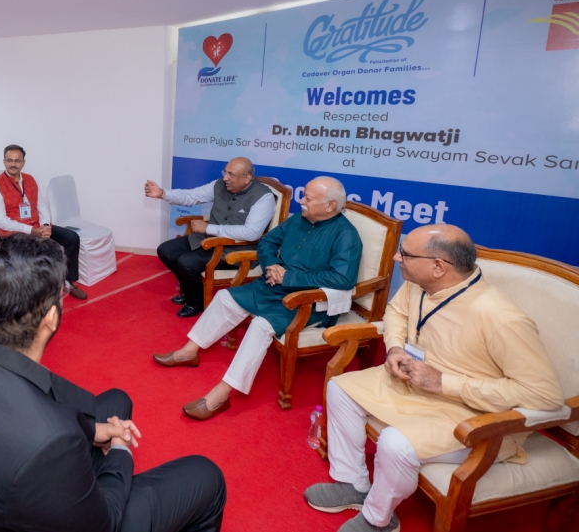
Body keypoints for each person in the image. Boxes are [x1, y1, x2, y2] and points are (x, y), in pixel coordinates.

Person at [0, 234, 228, 531]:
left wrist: (94, 431)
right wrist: (120, 453)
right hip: (57, 505)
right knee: (207, 476)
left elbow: (39, 398)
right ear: (51, 317)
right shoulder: (50, 442)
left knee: (117, 401)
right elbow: (106, 524)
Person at [303, 225, 565, 532]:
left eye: (405, 254)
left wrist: (443, 383)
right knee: (340, 388)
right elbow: (397, 313)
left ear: (439, 266)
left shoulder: (500, 317)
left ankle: (378, 520)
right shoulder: (420, 282)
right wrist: (395, 347)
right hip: (415, 386)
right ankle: (353, 484)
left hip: (473, 412)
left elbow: (545, 395)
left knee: (395, 443)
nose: (397, 258)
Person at [154, 177, 361, 420]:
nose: (301, 201)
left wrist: (288, 277)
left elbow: (342, 279)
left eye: (308, 198)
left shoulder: (346, 235)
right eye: (303, 195)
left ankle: (222, 393)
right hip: (272, 286)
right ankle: (190, 351)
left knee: (260, 326)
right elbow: (268, 241)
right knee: (225, 298)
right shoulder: (300, 219)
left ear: (330, 206)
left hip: (305, 300)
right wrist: (271, 264)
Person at [146, 157, 276, 317]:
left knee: (187, 262)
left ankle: (195, 303)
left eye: (231, 174)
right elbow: (192, 196)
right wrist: (162, 193)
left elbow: (251, 233)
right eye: (225, 172)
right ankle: (192, 292)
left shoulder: (264, 197)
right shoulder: (219, 185)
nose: (225, 178)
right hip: (209, 240)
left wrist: (208, 228)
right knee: (166, 250)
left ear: (247, 178)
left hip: (235, 250)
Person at [0, 144, 87, 300]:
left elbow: (42, 206)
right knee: (41, 248)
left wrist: (45, 226)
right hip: (13, 233)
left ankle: (67, 281)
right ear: (4, 161)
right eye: (9, 160)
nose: (13, 164)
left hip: (36, 226)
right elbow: (0, 221)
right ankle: (40, 290)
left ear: (23, 163)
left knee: (72, 238)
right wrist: (32, 231)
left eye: (17, 161)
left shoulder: (30, 179)